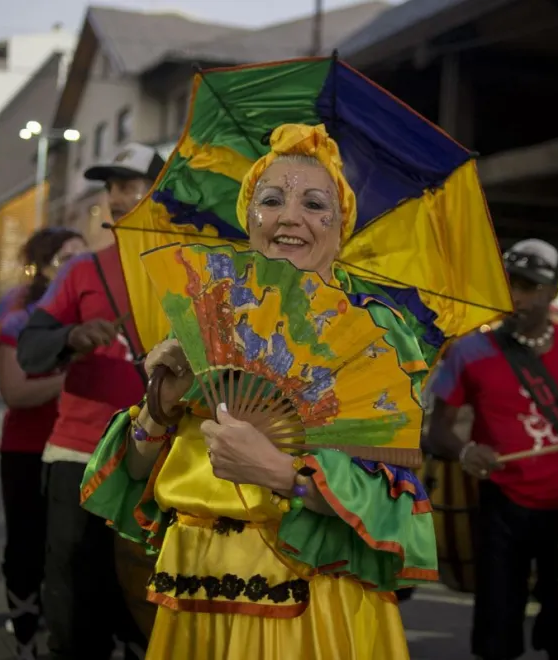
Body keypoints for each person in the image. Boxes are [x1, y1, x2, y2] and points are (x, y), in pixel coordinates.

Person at [79, 124, 437, 660]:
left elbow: (391, 508)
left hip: (309, 602)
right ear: (250, 221)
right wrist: (159, 405)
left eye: (315, 204)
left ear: (340, 231)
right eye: (272, 199)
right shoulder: (209, 316)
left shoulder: (377, 337)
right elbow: (134, 475)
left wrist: (278, 475)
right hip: (192, 592)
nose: (290, 216)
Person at [423, 238, 558, 660]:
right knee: (497, 626)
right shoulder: (470, 351)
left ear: (553, 292)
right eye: (509, 285)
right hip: (501, 504)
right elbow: (438, 432)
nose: (516, 296)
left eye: (529, 286)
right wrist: (465, 452)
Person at [16, 142, 164, 660]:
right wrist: (72, 336)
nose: (117, 197)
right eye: (111, 187)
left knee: (148, 598)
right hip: (80, 453)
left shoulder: (186, 272)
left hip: (158, 460)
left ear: (159, 191)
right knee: (73, 590)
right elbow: (31, 350)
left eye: (130, 184)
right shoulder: (81, 272)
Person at [0, 228, 86, 660]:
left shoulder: (94, 318)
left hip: (82, 451)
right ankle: (25, 639)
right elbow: (14, 393)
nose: (76, 266)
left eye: (81, 257)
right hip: (28, 451)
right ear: (43, 268)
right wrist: (72, 376)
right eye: (64, 258)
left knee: (75, 557)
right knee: (26, 552)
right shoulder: (18, 321)